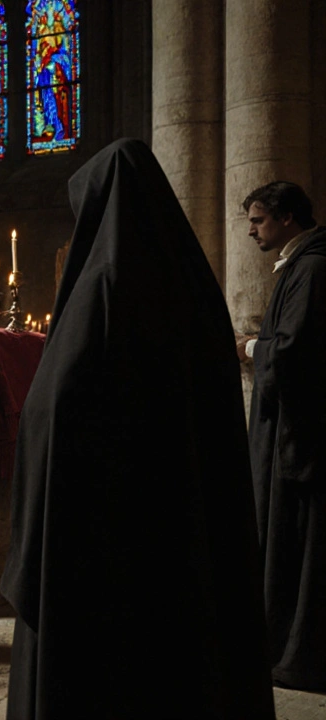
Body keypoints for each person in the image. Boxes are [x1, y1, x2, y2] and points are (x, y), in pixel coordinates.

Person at [0, 139, 274, 719]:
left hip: (102, 537)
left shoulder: (101, 288)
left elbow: (52, 409)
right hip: (181, 525)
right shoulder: (194, 289)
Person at [239, 180, 326, 692]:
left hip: (303, 436)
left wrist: (251, 349)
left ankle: (299, 657)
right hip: (293, 430)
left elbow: (293, 355)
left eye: (258, 220)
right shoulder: (303, 265)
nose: (251, 230)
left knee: (301, 542)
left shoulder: (312, 268)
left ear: (288, 217)